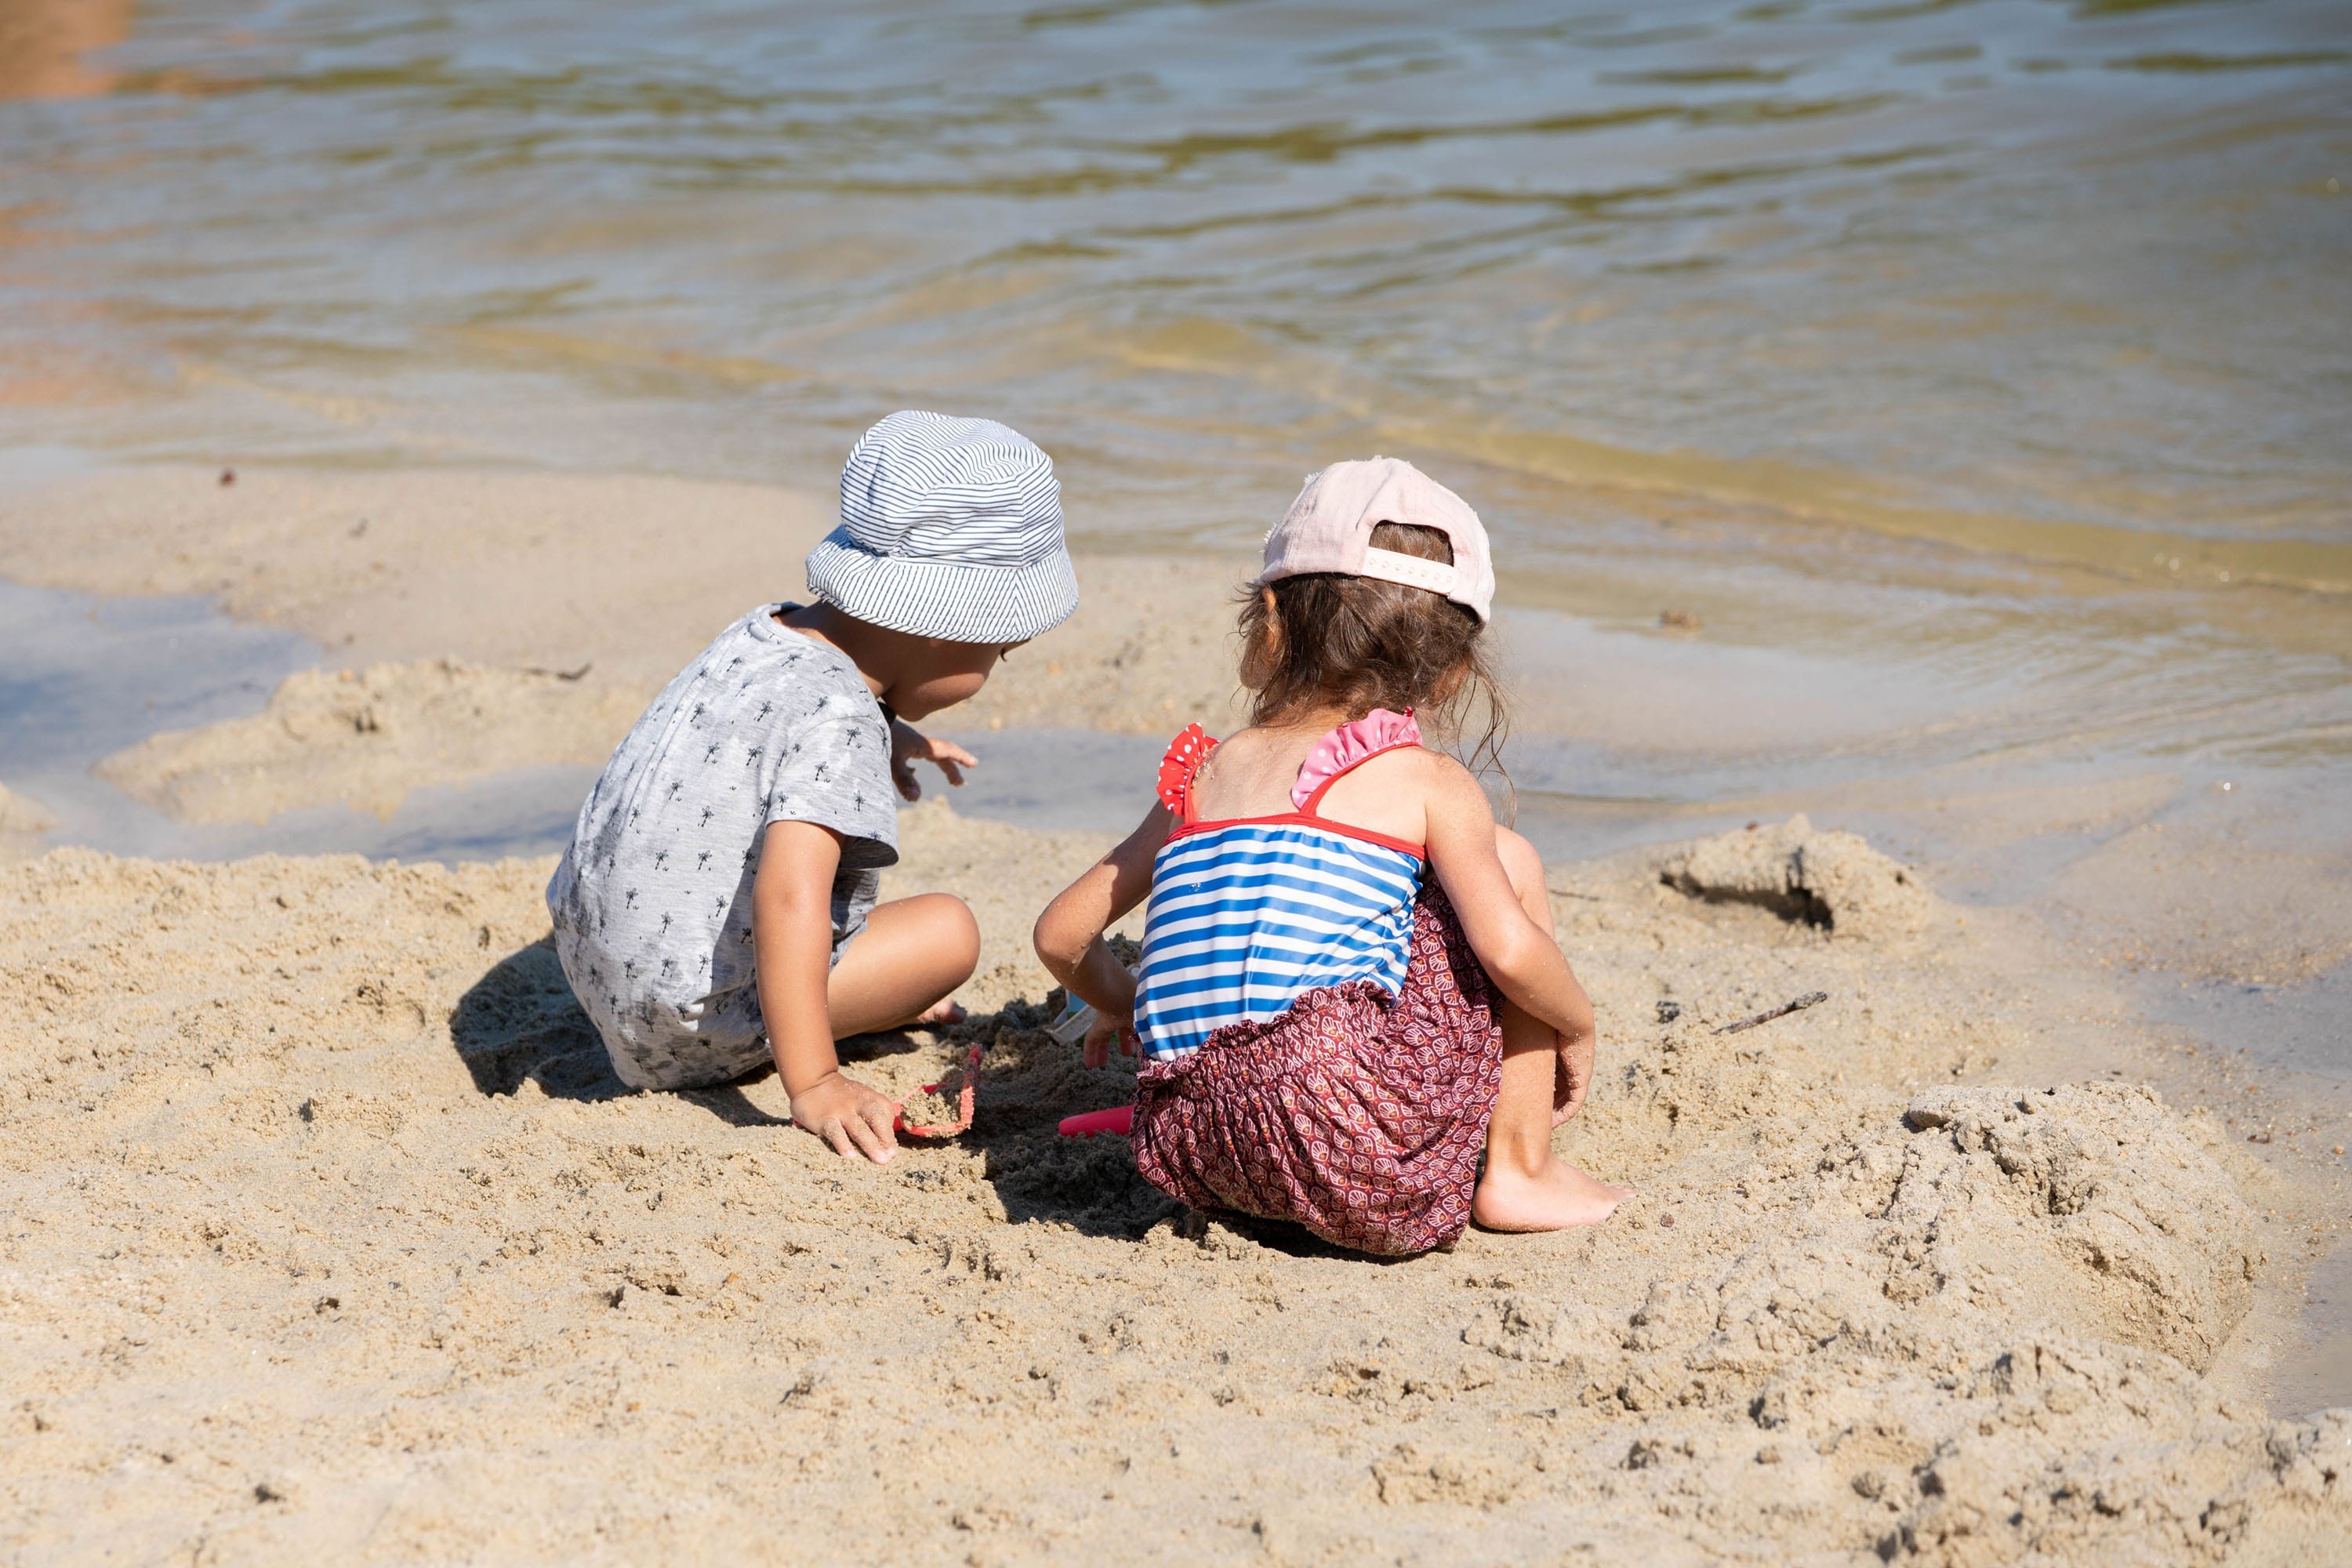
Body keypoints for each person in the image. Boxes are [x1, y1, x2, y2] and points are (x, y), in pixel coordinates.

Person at [1033, 457, 1628, 1254]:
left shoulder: (1205, 770)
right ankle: (1521, 1164)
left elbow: (1059, 934)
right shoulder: (1428, 780)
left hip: (1187, 1151)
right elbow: (1510, 952)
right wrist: (1576, 1021)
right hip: (1354, 1153)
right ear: (1453, 672)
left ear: (1269, 624)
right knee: (1509, 863)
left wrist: (1125, 997)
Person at [547, 411, 1077, 1163]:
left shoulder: (765, 631)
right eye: (1001, 648)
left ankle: (850, 1004)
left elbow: (747, 735)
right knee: (948, 932)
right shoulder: (838, 720)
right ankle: (819, 1033)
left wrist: (890, 734)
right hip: (686, 1023)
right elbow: (788, 898)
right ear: (942, 623)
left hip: (596, 967)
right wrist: (816, 1081)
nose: (996, 667)